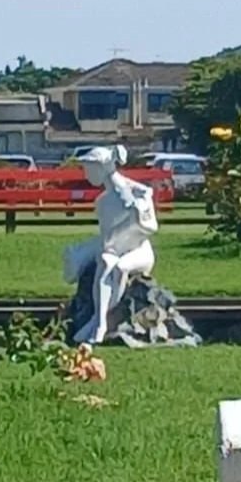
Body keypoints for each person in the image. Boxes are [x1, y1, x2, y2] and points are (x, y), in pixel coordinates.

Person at [63, 145, 159, 344]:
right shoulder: (102, 202)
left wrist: (138, 216)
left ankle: (95, 323)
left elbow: (150, 227)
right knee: (106, 262)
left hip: (139, 250)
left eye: (89, 169)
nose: (86, 174)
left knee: (121, 267)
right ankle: (100, 323)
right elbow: (109, 238)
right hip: (115, 248)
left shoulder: (138, 194)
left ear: (102, 168)